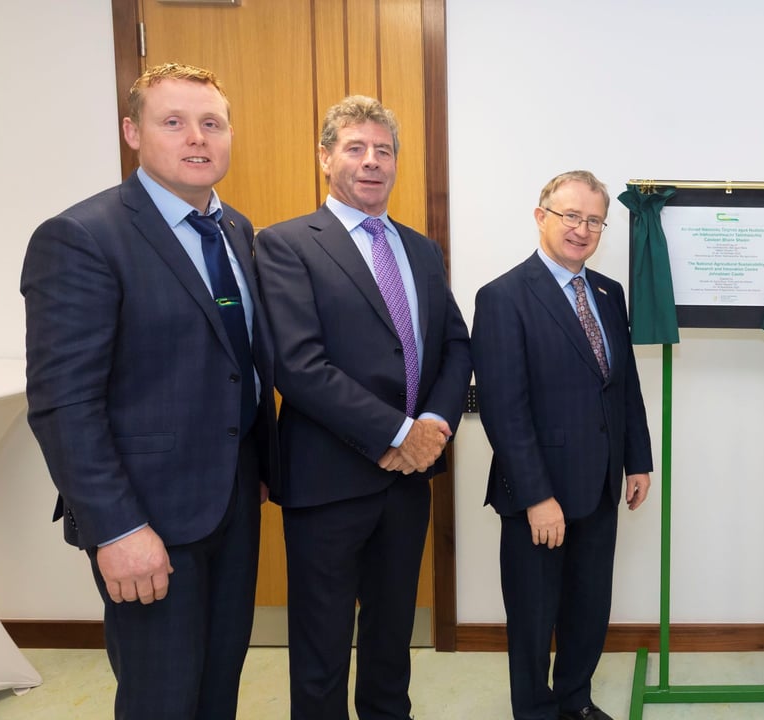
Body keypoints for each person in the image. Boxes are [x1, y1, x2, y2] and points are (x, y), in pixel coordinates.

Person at [21, 63, 276, 720]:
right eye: (174, 122)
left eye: (211, 123)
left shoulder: (237, 231)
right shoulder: (83, 237)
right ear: (133, 132)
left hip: (232, 502)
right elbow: (63, 402)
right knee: (161, 698)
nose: (197, 138)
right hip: (148, 517)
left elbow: (238, 362)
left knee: (219, 687)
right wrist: (118, 528)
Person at [255, 95, 472, 720]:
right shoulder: (287, 245)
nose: (371, 162)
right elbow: (296, 365)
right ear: (325, 158)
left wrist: (432, 425)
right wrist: (397, 431)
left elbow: (455, 344)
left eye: (383, 150)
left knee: (390, 642)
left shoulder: (421, 249)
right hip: (329, 480)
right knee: (322, 651)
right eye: (355, 148)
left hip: (407, 482)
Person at [472, 170, 653, 720]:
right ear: (540, 216)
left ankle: (575, 701)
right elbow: (504, 409)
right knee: (532, 617)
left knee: (588, 608)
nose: (582, 229)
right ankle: (534, 711)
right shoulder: (503, 296)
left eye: (594, 219)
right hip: (540, 495)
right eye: (571, 215)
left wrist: (638, 461)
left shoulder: (607, 292)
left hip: (599, 486)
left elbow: (623, 386)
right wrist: (536, 496)